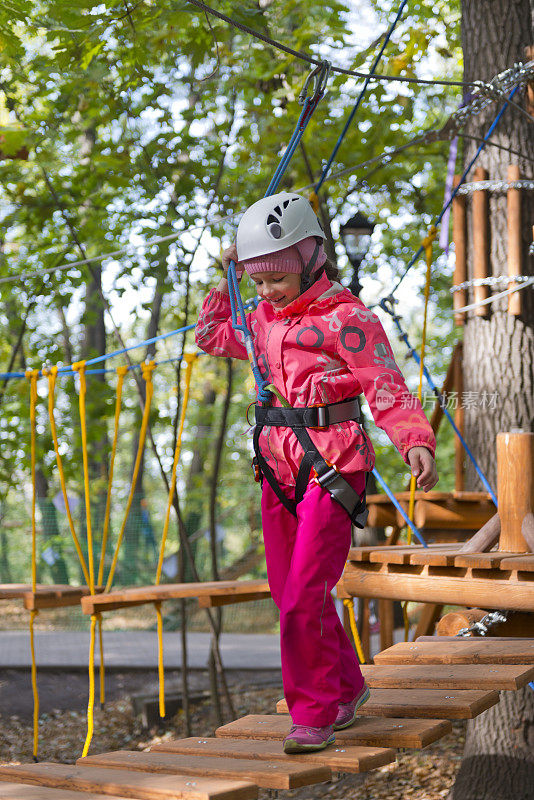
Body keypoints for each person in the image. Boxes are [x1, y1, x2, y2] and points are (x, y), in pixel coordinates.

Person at [195, 191, 438, 754]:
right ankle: (347, 687)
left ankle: (313, 713)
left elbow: (385, 384)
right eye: (257, 282)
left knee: (306, 591)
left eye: (275, 278)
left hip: (335, 462)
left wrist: (414, 440)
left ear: (310, 259)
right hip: (279, 466)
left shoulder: (347, 318)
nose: (266, 291)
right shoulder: (259, 321)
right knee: (288, 593)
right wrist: (227, 277)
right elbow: (212, 336)